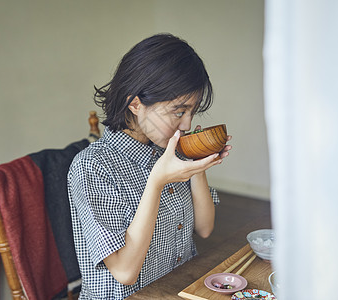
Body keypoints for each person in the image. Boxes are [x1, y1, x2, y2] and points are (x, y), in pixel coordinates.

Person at [67, 33, 231, 299]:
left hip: (178, 290)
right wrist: (156, 182)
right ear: (135, 104)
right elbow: (124, 272)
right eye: (179, 111)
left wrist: (198, 164)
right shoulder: (93, 167)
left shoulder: (166, 151)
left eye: (192, 111)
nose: (187, 125)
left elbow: (204, 228)